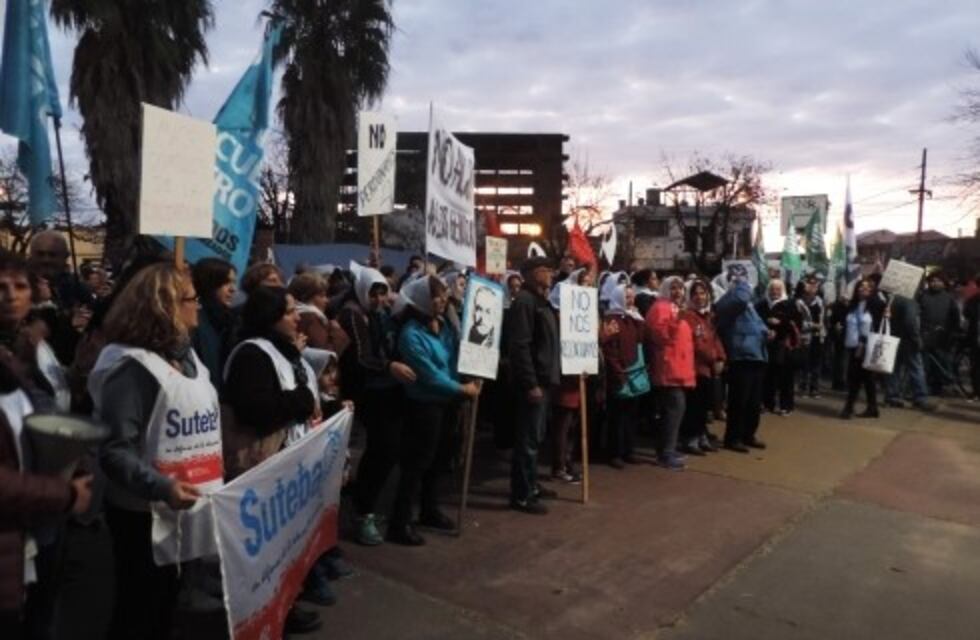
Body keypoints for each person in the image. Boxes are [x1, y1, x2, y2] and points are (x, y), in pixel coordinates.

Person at [87, 264, 215, 640]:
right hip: (141, 512)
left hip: (181, 508)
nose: (199, 307)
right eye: (192, 300)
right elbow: (114, 449)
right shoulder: (132, 368)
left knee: (164, 604)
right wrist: (162, 487)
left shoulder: (189, 357)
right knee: (137, 608)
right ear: (166, 307)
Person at [222, 285, 323, 634]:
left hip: (283, 467)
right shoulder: (252, 355)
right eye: (289, 311)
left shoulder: (282, 351)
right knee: (262, 554)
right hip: (259, 471)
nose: (298, 316)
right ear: (270, 317)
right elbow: (259, 411)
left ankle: (284, 606)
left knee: (283, 546)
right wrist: (302, 399)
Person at [0, 353, 93, 640]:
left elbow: (41, 415)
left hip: (24, 544)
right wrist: (63, 495)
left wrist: (72, 456)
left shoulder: (9, 368)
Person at [389, 276, 479, 544]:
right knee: (416, 464)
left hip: (447, 403)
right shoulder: (411, 335)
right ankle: (400, 521)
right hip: (424, 406)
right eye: (437, 297)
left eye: (444, 296)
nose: (442, 301)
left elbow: (458, 352)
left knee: (439, 461)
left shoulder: (445, 326)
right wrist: (461, 389)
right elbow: (428, 375)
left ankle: (429, 509)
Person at [338, 267, 416, 546]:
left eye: (383, 292)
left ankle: (361, 502)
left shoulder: (376, 315)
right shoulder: (352, 315)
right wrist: (388, 366)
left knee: (386, 452)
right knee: (382, 451)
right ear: (362, 291)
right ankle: (362, 512)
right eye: (375, 292)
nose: (380, 298)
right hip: (367, 394)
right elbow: (360, 359)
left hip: (384, 392)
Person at [505, 257, 560, 514]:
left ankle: (532, 484)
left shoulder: (541, 301)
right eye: (544, 270)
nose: (549, 274)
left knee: (535, 439)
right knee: (527, 440)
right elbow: (520, 345)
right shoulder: (526, 302)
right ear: (528, 274)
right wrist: (530, 383)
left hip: (544, 380)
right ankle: (522, 494)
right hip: (534, 383)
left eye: (549, 269)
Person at [714, 271, 769, 453]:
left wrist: (766, 332)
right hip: (741, 357)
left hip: (757, 356)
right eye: (737, 280)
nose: (744, 284)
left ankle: (748, 434)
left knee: (754, 402)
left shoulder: (748, 305)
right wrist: (743, 285)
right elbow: (739, 299)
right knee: (739, 401)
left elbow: (758, 323)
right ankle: (733, 438)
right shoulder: (726, 303)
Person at [646, 276, 695, 470]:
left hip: (678, 368)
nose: (678, 292)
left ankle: (667, 449)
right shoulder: (661, 308)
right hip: (668, 369)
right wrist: (677, 321)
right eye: (673, 288)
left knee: (675, 411)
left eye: (681, 288)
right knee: (674, 410)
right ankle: (665, 453)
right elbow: (660, 336)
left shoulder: (676, 309)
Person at [602, 284, 652, 468]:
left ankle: (627, 450)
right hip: (620, 373)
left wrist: (638, 319)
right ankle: (614, 452)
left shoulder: (633, 318)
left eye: (632, 297)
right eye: (627, 297)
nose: (631, 301)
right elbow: (610, 350)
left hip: (634, 371)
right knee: (617, 417)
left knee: (631, 415)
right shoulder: (612, 319)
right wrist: (618, 373)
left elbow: (641, 339)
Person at [27, 231, 93, 364]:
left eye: (52, 255)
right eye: (40, 254)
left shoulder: (79, 289)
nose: (46, 260)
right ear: (31, 256)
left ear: (65, 257)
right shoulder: (18, 285)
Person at [679, 279, 726, 455]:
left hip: (708, 369)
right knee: (694, 406)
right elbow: (696, 344)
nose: (700, 297)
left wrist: (721, 357)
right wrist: (712, 358)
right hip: (695, 368)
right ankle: (690, 439)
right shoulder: (688, 316)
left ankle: (700, 435)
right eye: (696, 294)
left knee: (705, 406)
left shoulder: (708, 316)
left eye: (703, 293)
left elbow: (714, 339)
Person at [191, 258, 238, 393]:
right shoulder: (195, 321)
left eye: (234, 282)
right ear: (209, 284)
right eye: (225, 283)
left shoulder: (228, 321)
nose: (232, 289)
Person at [756, 279, 803, 415]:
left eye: (777, 289)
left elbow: (796, 324)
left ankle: (786, 405)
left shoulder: (790, 304)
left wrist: (781, 323)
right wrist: (766, 324)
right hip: (766, 345)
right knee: (767, 376)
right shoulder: (762, 305)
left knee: (785, 377)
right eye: (772, 289)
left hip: (784, 345)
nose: (774, 292)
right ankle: (767, 403)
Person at [884, 293, 935, 411]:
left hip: (893, 336)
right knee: (916, 368)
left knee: (894, 368)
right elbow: (910, 321)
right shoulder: (910, 300)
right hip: (908, 340)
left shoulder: (891, 299)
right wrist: (917, 339)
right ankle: (920, 397)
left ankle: (892, 396)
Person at [840, 278, 882, 419]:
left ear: (872, 290)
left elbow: (882, 322)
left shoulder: (876, 305)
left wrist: (887, 314)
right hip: (853, 346)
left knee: (857, 378)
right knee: (864, 378)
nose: (863, 288)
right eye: (861, 286)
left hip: (867, 345)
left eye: (867, 287)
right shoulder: (853, 306)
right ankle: (872, 407)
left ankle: (849, 407)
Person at [919, 271, 961, 395]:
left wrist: (951, 331)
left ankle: (940, 386)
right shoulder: (922, 296)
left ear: (943, 283)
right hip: (925, 335)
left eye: (938, 281)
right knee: (926, 364)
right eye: (932, 281)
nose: (934, 283)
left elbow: (955, 317)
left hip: (943, 337)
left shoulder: (949, 298)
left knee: (942, 363)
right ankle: (926, 387)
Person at [289, 272, 349, 355]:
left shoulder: (301, 315)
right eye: (322, 296)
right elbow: (327, 353)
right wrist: (337, 330)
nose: (326, 300)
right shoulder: (310, 318)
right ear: (306, 297)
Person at [796, 275, 825, 398]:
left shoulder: (819, 301)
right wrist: (811, 325)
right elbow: (797, 321)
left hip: (819, 336)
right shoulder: (799, 302)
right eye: (810, 284)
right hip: (805, 336)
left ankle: (814, 388)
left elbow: (824, 317)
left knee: (816, 363)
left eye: (815, 284)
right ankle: (802, 387)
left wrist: (823, 327)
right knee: (804, 363)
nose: (813, 286)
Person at [964, 274, 980, 401]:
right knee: (975, 367)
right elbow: (967, 315)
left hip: (975, 337)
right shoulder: (972, 301)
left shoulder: (972, 300)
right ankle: (976, 391)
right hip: (975, 339)